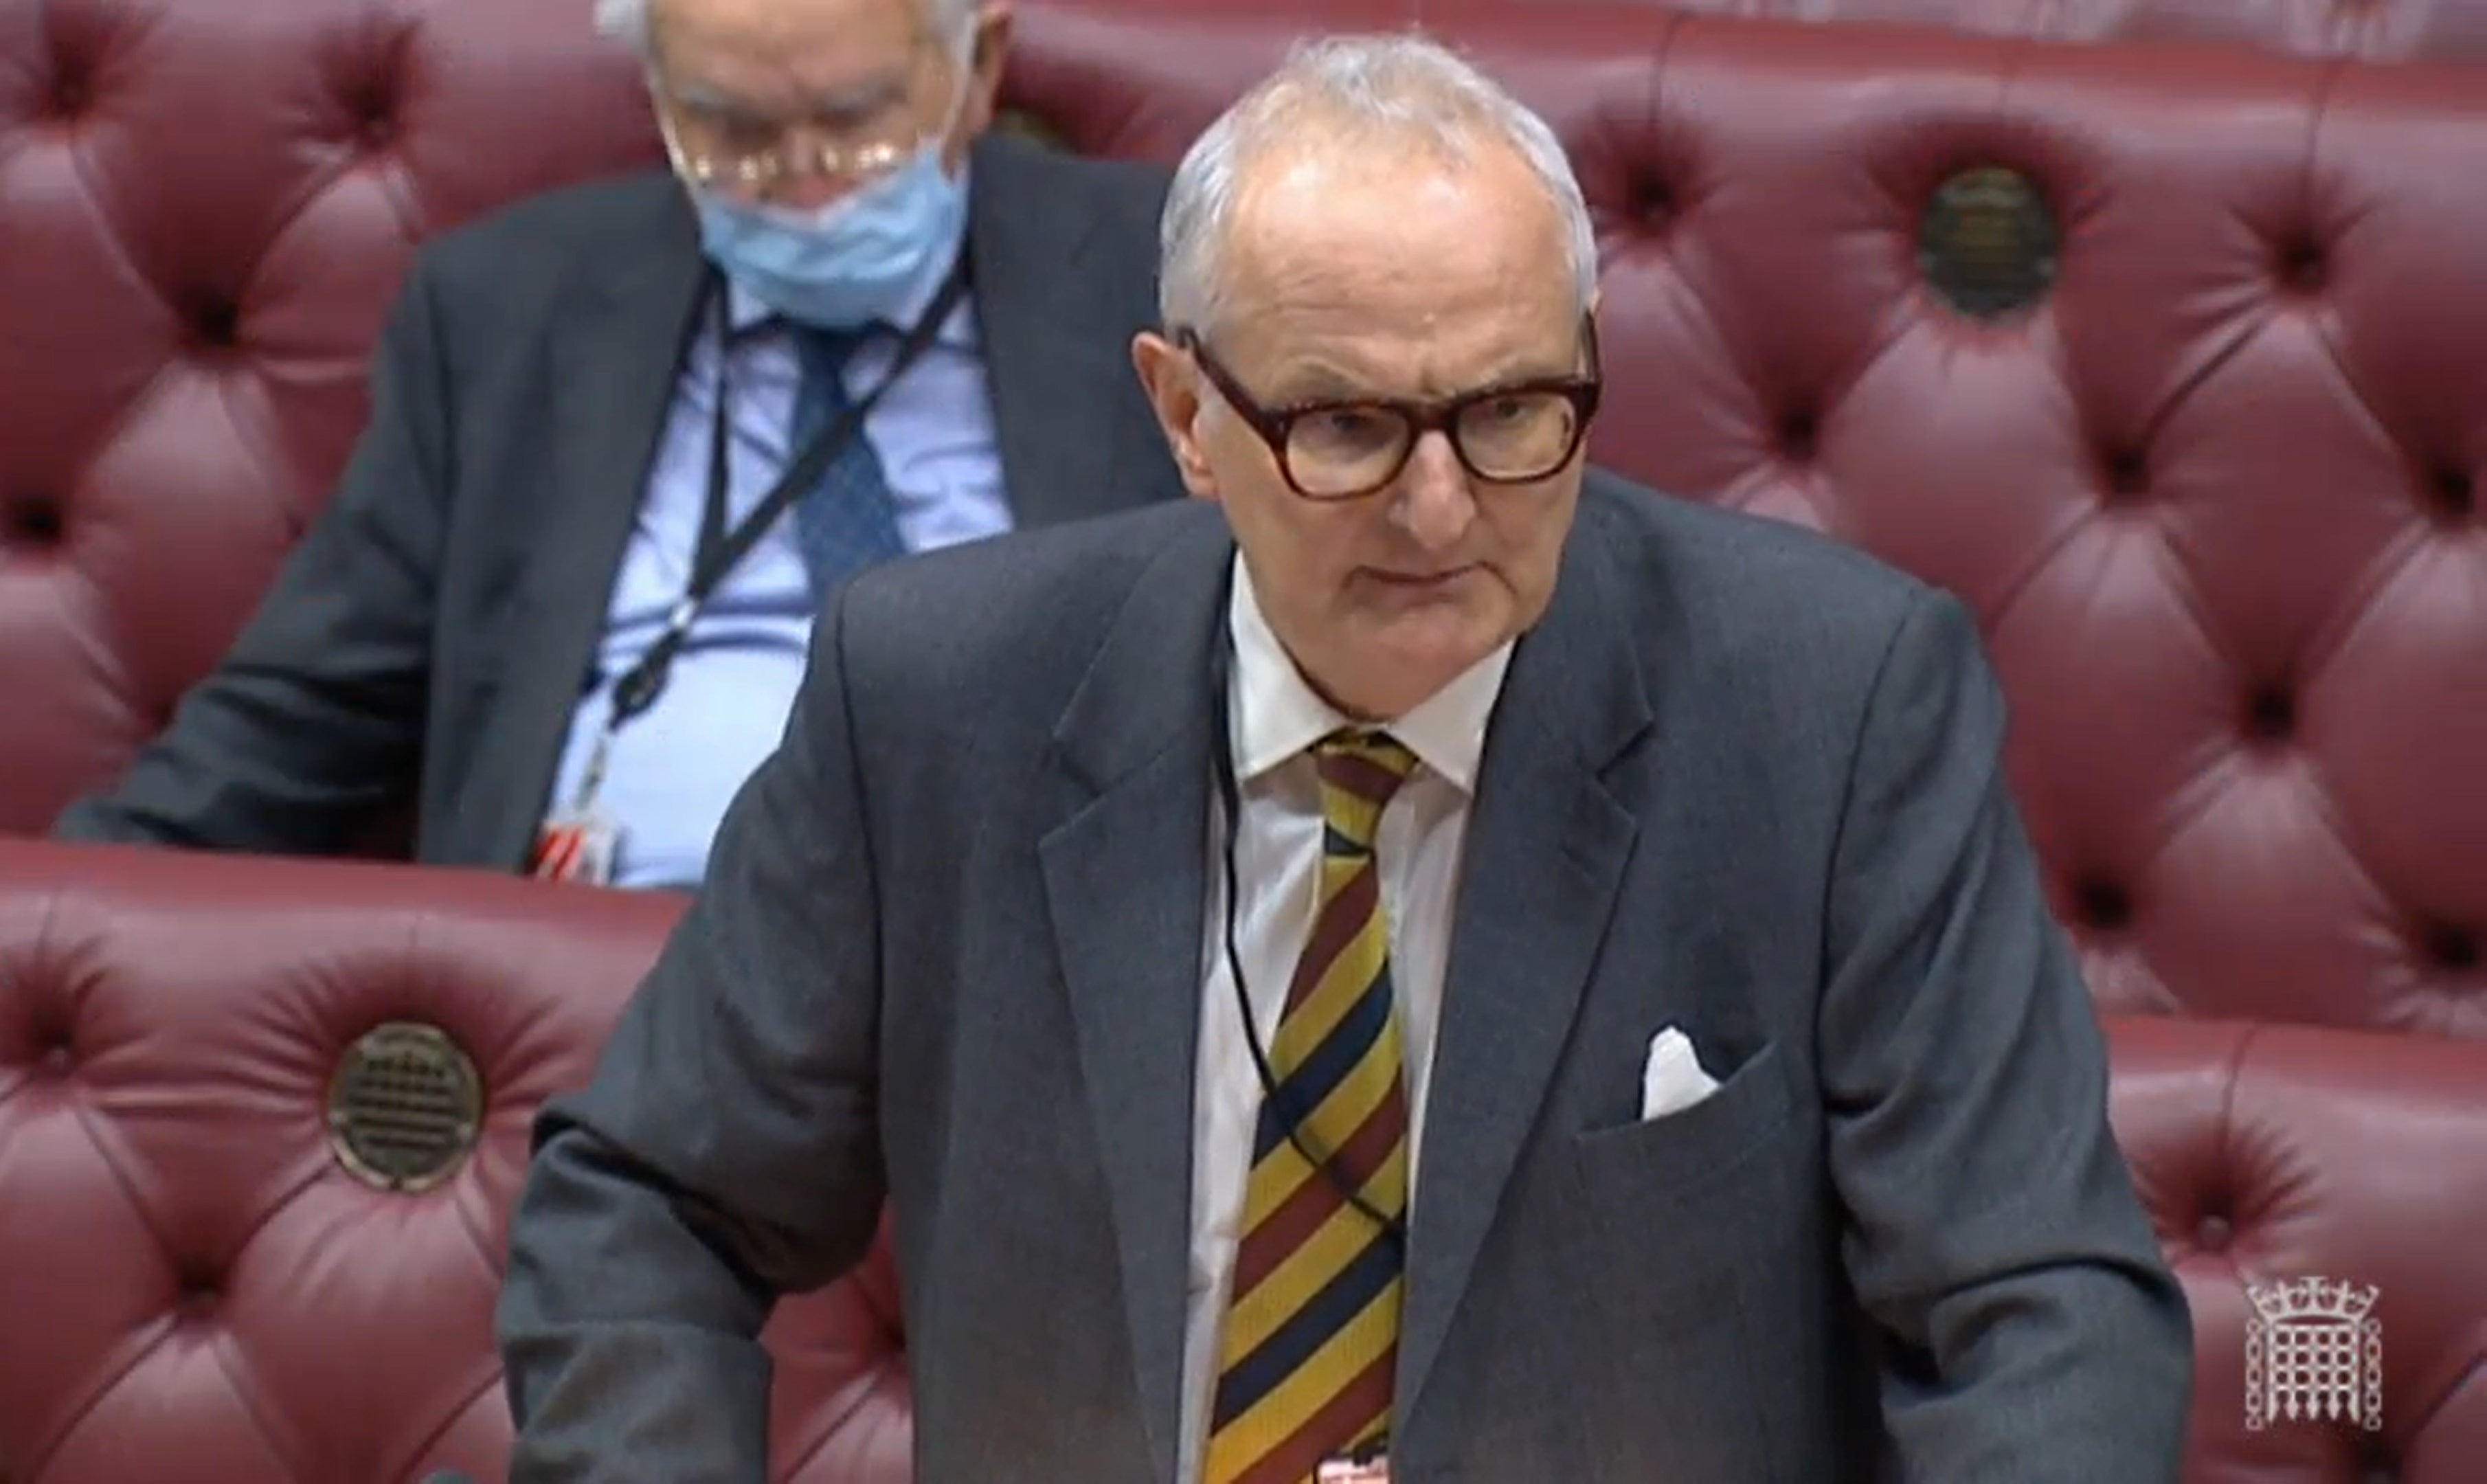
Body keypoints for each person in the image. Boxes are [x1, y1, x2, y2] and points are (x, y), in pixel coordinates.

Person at [495, 32, 2194, 1483]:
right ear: (1185, 420)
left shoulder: (1833, 710)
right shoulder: (939, 695)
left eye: (1514, 413)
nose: (1441, 510)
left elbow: (2046, 1318)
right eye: (1348, 426)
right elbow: (643, 1206)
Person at [49, 0, 1182, 890]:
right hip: (603, 977)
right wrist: (61, 909)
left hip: (1011, 976)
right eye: (734, 133)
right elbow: (303, 716)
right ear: (660, 100)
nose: (807, 185)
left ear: (978, 69)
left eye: (859, 122)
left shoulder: (1161, 267)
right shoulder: (504, 314)